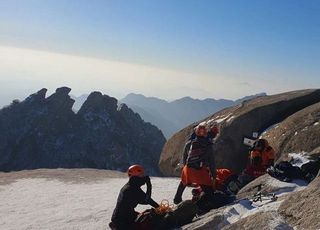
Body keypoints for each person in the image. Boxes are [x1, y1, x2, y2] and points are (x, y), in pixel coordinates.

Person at [173, 124, 217, 205]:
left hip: (187, 169)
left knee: (183, 182)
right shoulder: (208, 145)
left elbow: (185, 157)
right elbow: (212, 163)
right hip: (199, 171)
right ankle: (197, 205)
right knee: (209, 191)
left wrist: (187, 167)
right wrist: (213, 177)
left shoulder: (189, 143)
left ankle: (177, 198)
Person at [109, 165, 159, 230]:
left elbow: (144, 198)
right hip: (123, 221)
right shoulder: (133, 189)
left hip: (120, 217)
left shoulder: (129, 185)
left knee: (144, 217)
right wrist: (149, 184)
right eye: (142, 174)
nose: (143, 176)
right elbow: (147, 200)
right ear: (138, 176)